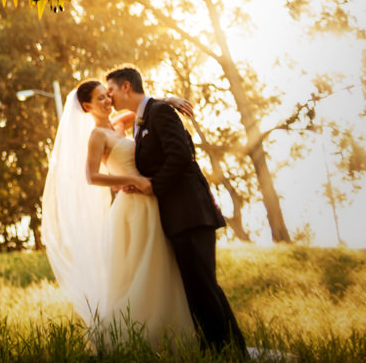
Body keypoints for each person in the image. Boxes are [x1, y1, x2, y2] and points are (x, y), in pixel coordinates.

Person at [42, 78, 194, 351]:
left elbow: (145, 107)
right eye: (100, 98)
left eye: (107, 96)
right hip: (131, 207)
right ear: (87, 106)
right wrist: (131, 180)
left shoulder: (121, 124)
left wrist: (169, 100)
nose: (107, 101)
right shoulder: (97, 137)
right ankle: (133, 338)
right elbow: (92, 176)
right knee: (137, 270)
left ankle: (169, 332)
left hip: (150, 200)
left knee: (160, 265)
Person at [105, 65, 248, 354]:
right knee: (198, 289)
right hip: (178, 217)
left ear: (126, 87)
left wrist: (152, 186)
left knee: (204, 287)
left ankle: (228, 352)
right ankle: (224, 351)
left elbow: (181, 156)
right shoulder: (145, 118)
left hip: (192, 213)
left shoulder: (158, 113)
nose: (109, 99)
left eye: (110, 91)